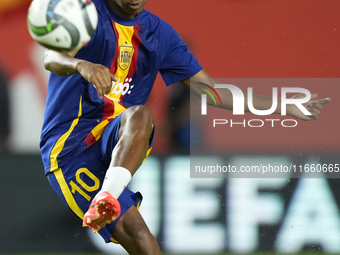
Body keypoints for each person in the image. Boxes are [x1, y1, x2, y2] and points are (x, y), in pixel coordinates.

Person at [41, 0, 330, 254]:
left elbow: (213, 92)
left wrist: (286, 106)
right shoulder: (84, 14)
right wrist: (80, 64)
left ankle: (108, 195)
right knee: (142, 240)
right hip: (71, 148)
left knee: (141, 114)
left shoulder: (160, 34)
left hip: (115, 136)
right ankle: (109, 196)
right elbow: (50, 56)